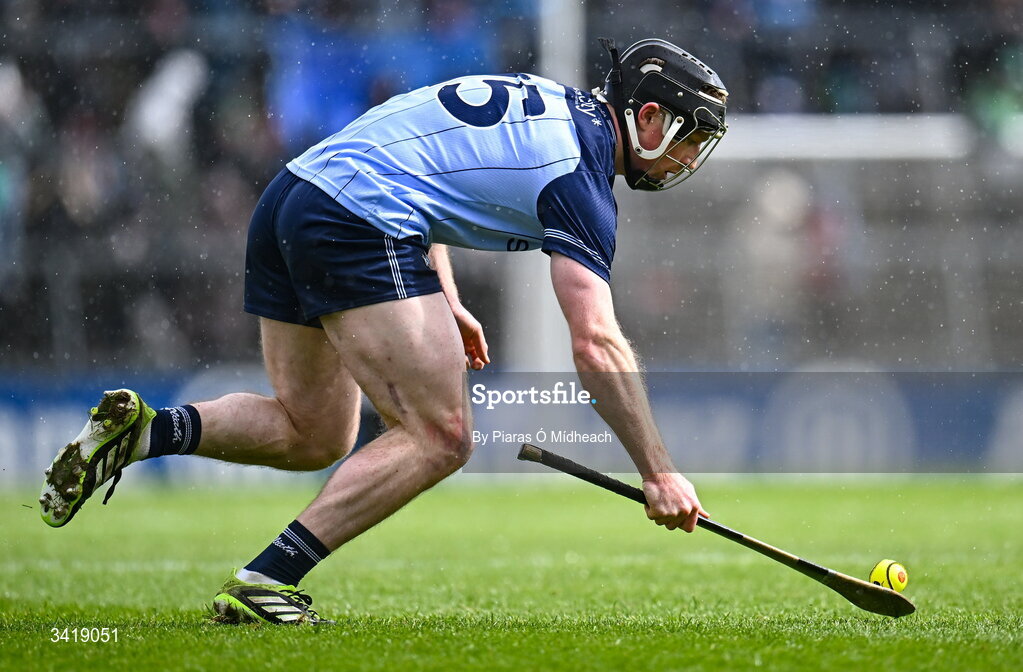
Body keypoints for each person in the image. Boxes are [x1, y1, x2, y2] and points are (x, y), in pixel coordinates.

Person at [39, 38, 729, 625]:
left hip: (293, 196)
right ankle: (264, 581)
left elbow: (424, 164)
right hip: (356, 220)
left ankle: (146, 432)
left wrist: (445, 299)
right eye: (689, 138)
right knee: (442, 435)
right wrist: (658, 472)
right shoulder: (579, 175)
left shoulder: (545, 100)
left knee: (314, 432)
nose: (688, 161)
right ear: (647, 117)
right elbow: (596, 342)